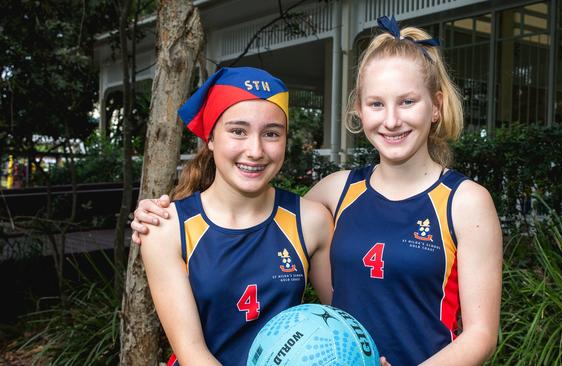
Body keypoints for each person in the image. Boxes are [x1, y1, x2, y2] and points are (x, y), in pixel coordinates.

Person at [133, 17, 502, 365]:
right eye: (376, 103)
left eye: (407, 101)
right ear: (359, 109)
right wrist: (156, 215)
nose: (391, 120)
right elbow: (252, 228)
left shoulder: (464, 202)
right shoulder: (334, 193)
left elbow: (480, 334)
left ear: (436, 106)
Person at [138, 66, 333, 366]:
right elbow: (193, 353)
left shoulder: (310, 221)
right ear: (211, 138)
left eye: (271, 133)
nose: (255, 150)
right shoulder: (166, 228)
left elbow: (340, 320)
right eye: (238, 131)